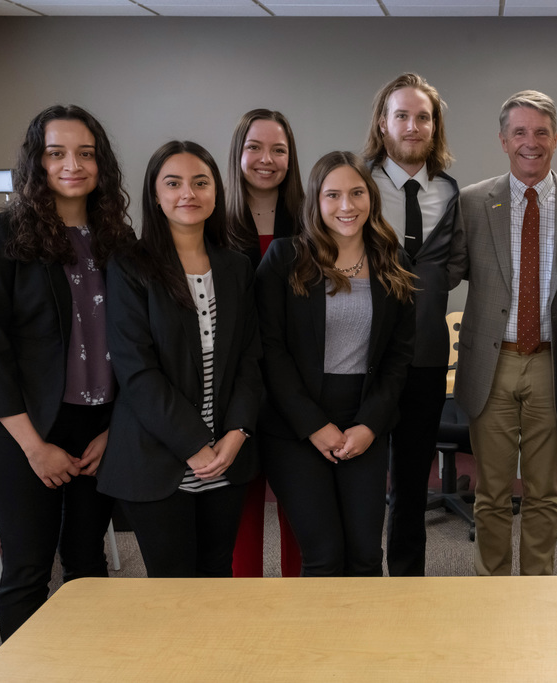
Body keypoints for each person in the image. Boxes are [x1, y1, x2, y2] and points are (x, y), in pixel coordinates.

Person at [0, 105, 134, 641]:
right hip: (23, 429)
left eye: (86, 153)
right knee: (27, 570)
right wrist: (32, 446)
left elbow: (138, 347)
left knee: (87, 564)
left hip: (99, 428)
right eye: (56, 153)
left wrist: (115, 432)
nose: (72, 164)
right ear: (37, 163)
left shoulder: (119, 242)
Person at [98, 141, 263, 578]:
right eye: (173, 183)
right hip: (159, 453)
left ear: (216, 193)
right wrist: (194, 446)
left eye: (200, 182)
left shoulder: (237, 267)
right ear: (155, 194)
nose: (187, 193)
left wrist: (236, 433)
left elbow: (251, 358)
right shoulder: (130, 265)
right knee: (173, 586)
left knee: (216, 572)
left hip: (227, 454)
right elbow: (137, 371)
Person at [256, 151, 415, 577]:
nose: (347, 206)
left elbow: (398, 357)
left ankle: (364, 645)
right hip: (296, 424)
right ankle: (319, 645)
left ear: (371, 197)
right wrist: (313, 425)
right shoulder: (285, 258)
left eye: (357, 193)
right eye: (333, 195)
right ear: (316, 201)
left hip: (364, 419)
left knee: (365, 555)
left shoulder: (392, 261)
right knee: (324, 555)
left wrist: (370, 425)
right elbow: (270, 350)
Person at [449, 90, 557, 576]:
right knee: (491, 490)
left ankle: (537, 588)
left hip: (553, 362)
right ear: (504, 140)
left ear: (555, 138)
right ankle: (492, 584)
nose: (532, 142)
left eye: (541, 132)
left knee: (545, 491)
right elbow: (447, 272)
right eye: (520, 132)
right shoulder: (471, 202)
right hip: (493, 363)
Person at [364, 73, 460, 577]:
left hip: (425, 352)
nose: (413, 125)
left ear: (434, 125)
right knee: (360, 478)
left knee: (410, 481)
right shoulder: (355, 185)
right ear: (383, 123)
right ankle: (355, 578)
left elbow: (452, 261)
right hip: (362, 356)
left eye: (423, 116)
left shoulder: (448, 189)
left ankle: (406, 584)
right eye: (401, 115)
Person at [225, 108, 304, 579]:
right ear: (238, 152)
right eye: (255, 147)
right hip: (236, 383)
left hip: (294, 382)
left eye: (278, 149)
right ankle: (244, 617)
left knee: (299, 507)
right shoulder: (215, 219)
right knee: (242, 507)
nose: (266, 159)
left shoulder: (311, 219)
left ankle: (299, 611)